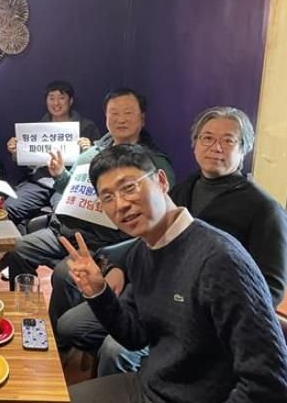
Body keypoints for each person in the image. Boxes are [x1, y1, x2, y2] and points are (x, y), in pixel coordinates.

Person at [66, 144, 287, 402]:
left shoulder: (219, 259)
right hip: (151, 386)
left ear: (161, 181)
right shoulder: (141, 253)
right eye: (107, 197)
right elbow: (135, 337)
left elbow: (268, 380)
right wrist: (99, 292)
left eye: (129, 187)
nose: (121, 204)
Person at [8, 88, 175, 295]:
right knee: (18, 249)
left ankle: (69, 316)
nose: (120, 119)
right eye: (114, 113)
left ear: (142, 118)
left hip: (103, 243)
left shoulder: (151, 162)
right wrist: (60, 174)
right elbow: (70, 188)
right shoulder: (91, 153)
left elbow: (162, 213)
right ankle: (24, 305)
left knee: (63, 275)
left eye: (128, 113)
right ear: (106, 117)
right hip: (64, 230)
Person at [5, 80, 101, 226]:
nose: (56, 103)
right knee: (8, 208)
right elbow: (30, 162)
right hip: (40, 182)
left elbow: (99, 162)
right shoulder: (37, 128)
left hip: (69, 183)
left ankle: (51, 239)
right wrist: (16, 151)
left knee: (66, 215)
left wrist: (89, 149)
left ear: (70, 101)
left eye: (61, 98)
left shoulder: (87, 127)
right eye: (51, 98)